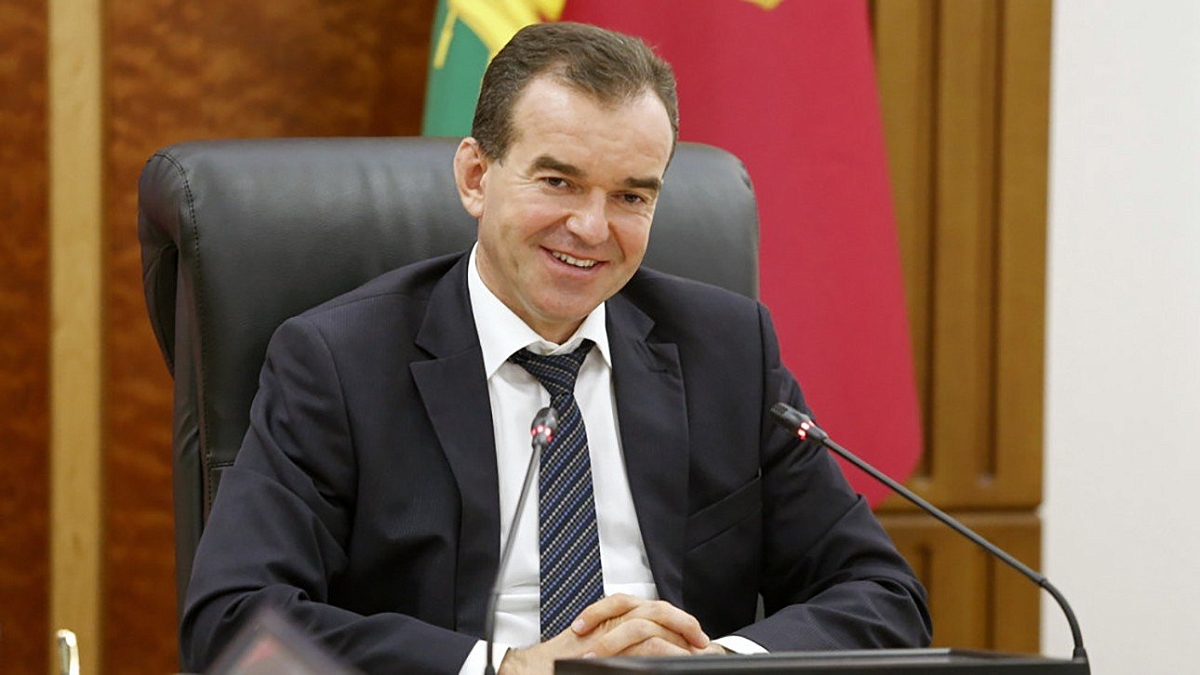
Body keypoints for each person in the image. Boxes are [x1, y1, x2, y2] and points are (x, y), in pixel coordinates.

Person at [180, 22, 931, 675]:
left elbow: (883, 594)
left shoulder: (728, 350)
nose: (593, 229)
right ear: (476, 177)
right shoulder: (339, 362)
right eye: (559, 182)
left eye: (631, 195)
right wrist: (505, 668)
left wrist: (715, 665)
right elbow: (236, 623)